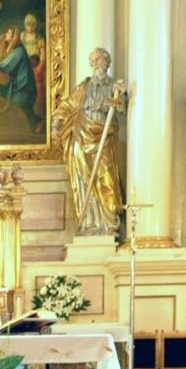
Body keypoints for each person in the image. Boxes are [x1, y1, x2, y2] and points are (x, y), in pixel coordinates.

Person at [51, 47, 124, 235]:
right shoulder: (84, 86)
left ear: (107, 61)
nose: (95, 64)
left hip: (103, 137)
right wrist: (56, 126)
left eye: (98, 60)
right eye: (92, 61)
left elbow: (122, 108)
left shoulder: (114, 86)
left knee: (106, 178)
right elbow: (67, 105)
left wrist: (118, 99)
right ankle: (90, 223)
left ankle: (108, 223)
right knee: (84, 180)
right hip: (82, 138)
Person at [0, 26, 38, 131]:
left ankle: (33, 128)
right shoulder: (15, 50)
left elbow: (5, 66)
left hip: (24, 87)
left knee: (20, 107)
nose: (6, 34)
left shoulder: (19, 51)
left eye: (9, 33)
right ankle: (33, 126)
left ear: (14, 37)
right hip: (18, 86)